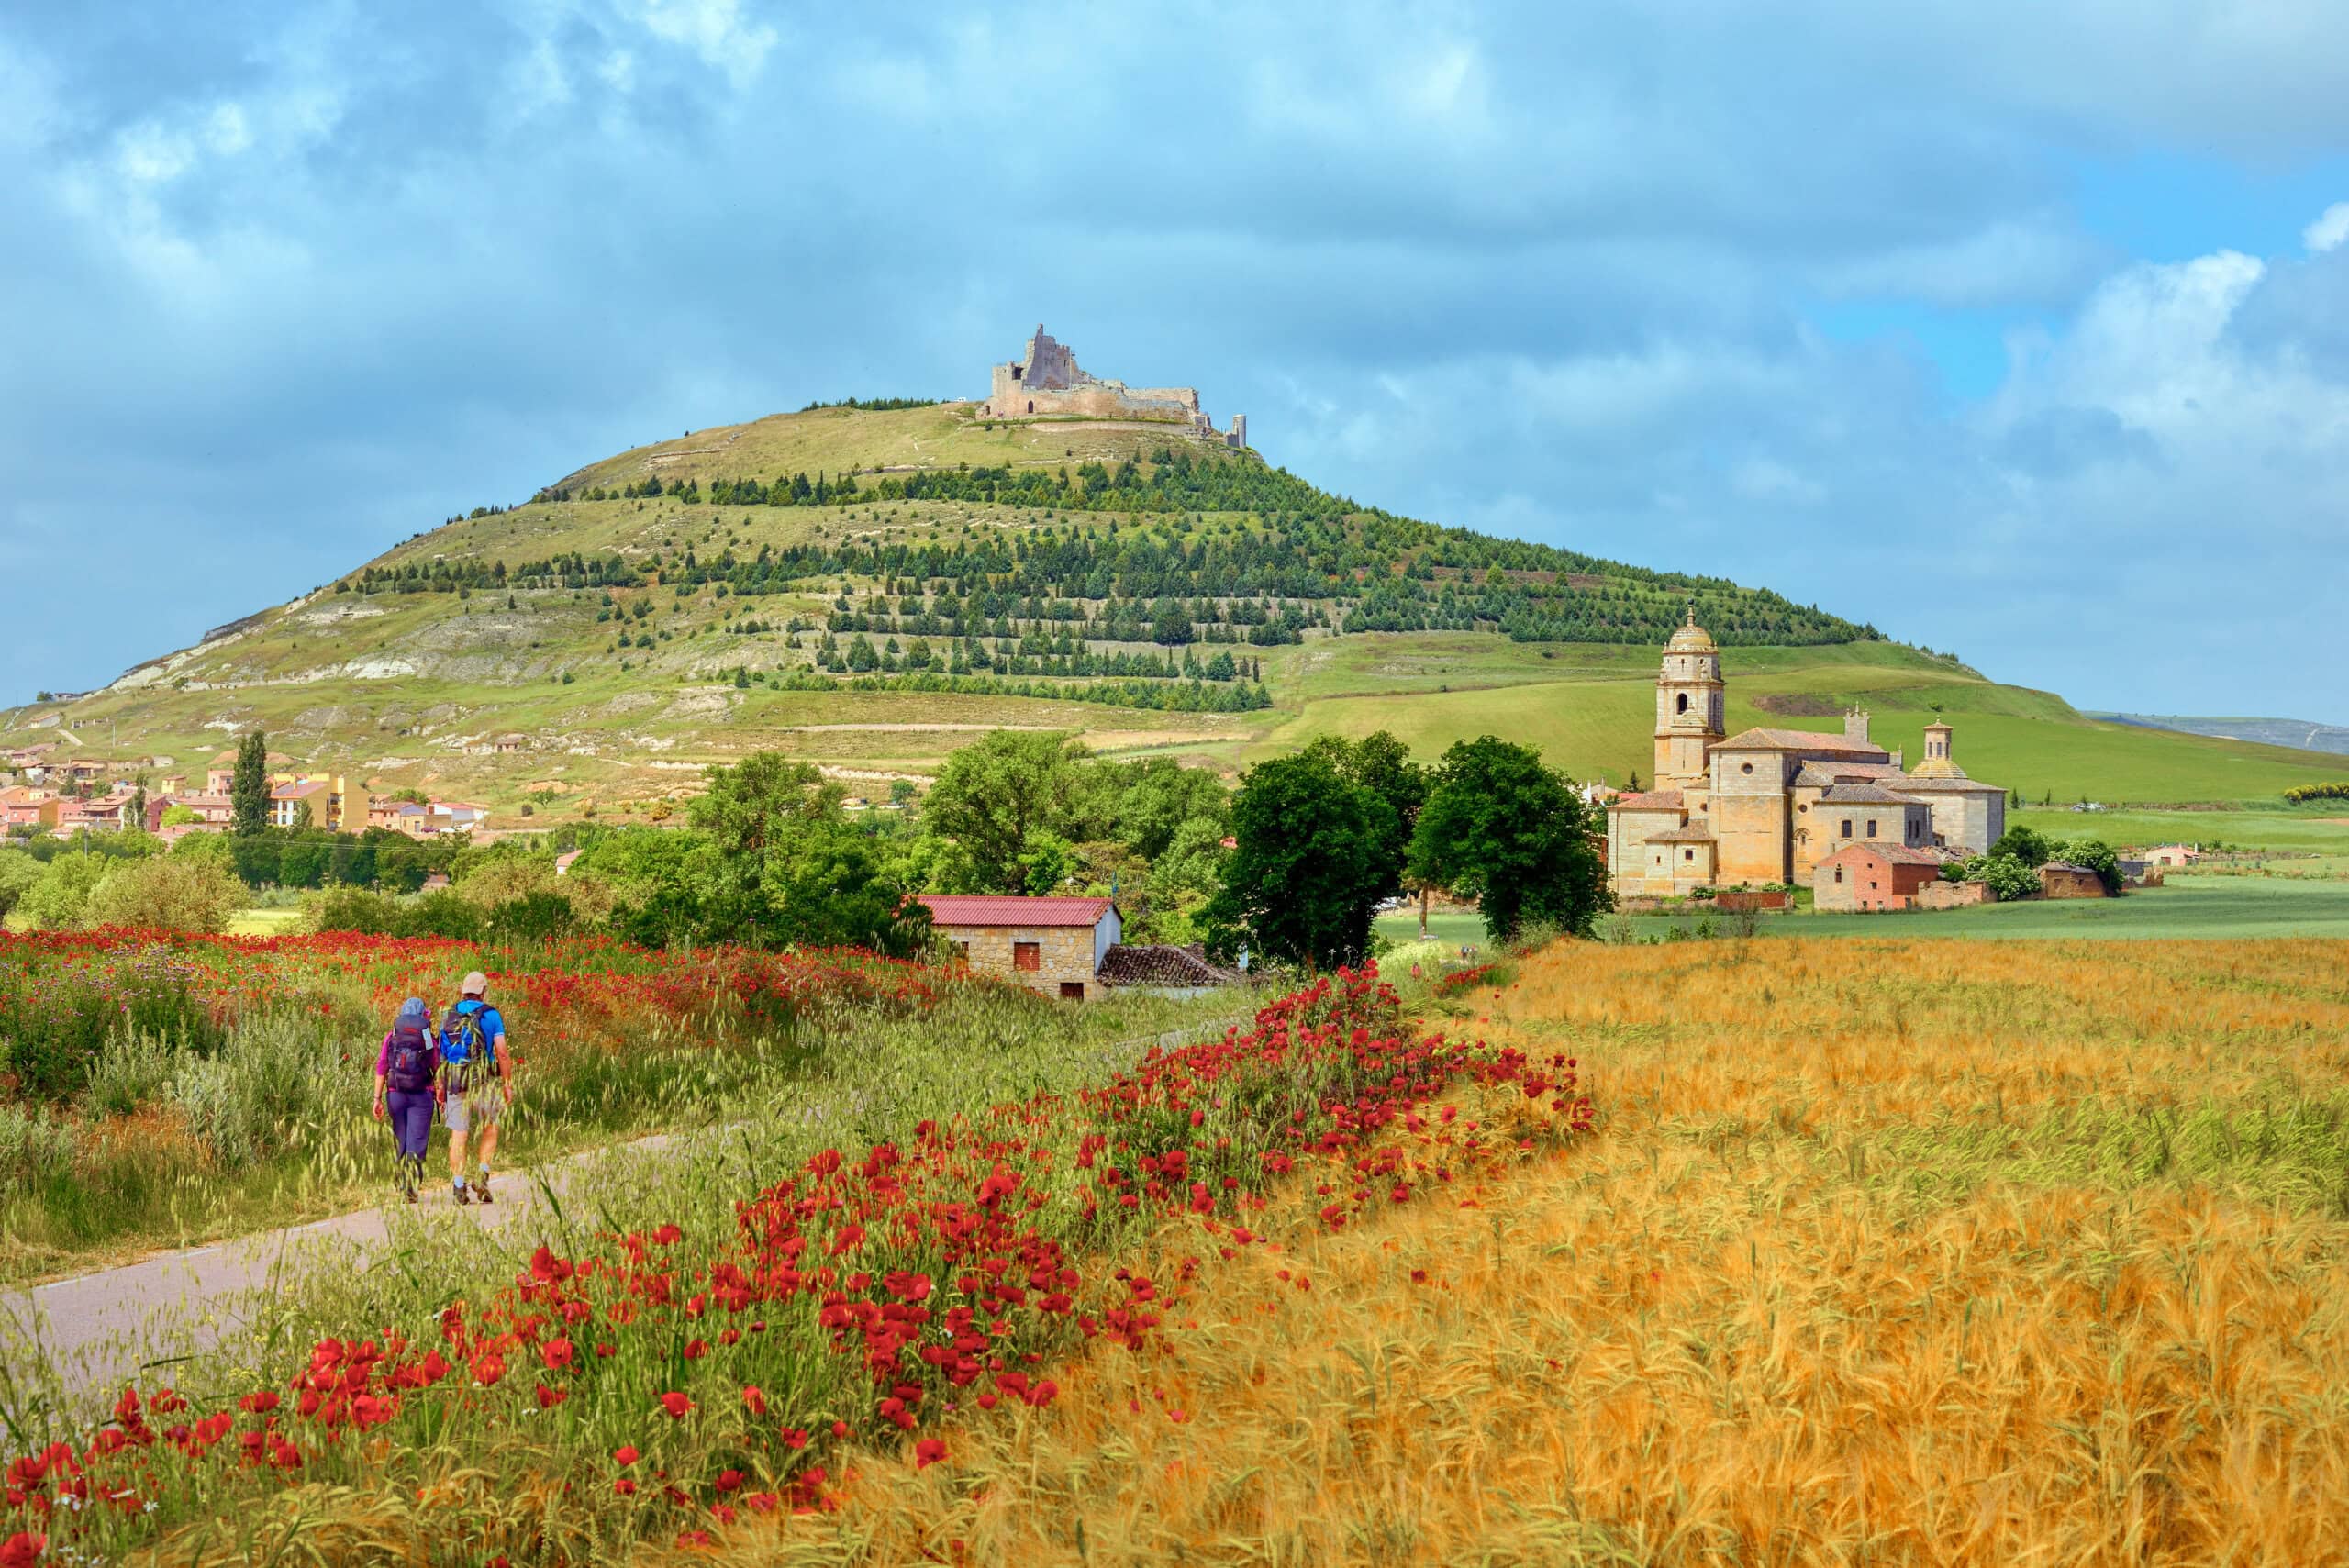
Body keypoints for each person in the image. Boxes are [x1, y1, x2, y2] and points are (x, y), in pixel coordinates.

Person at [439, 970, 513, 1206]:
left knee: (459, 1135)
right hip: (484, 1081)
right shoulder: (492, 1015)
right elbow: (501, 1052)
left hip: (456, 1081)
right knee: (490, 1127)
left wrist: (441, 1085)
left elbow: (443, 1054)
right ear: (483, 992)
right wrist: (507, 1084)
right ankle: (481, 1175)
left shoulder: (448, 1015)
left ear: (463, 991)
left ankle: (459, 1186)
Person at [372, 996, 440, 1203]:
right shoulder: (427, 1036)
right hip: (421, 1093)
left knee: (402, 1138)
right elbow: (437, 1065)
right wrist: (441, 1092)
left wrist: (377, 1098)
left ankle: (402, 1179)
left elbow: (382, 1066)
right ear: (423, 1015)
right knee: (417, 1140)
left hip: (395, 1093)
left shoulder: (392, 1035)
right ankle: (410, 1184)